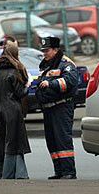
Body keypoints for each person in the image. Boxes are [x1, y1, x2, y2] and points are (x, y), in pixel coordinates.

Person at [35, 36, 78, 179]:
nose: (44, 54)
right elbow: (40, 84)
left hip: (61, 108)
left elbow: (70, 82)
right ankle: (59, 170)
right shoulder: (45, 65)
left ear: (55, 49)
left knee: (62, 140)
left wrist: (50, 85)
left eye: (47, 51)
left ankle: (69, 172)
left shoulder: (66, 64)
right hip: (48, 109)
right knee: (52, 141)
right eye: (43, 51)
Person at [0, 45, 31, 179]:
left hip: (0, 110)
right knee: (14, 142)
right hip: (13, 110)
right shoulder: (15, 71)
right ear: (15, 54)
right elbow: (20, 93)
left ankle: (10, 172)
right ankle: (10, 174)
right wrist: (27, 84)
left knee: (3, 141)